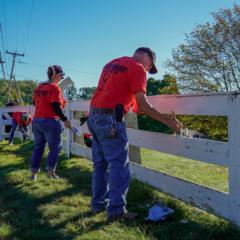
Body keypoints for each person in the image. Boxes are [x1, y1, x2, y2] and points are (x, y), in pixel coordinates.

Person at [87, 47, 182, 221]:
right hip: (111, 119)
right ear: (145, 56)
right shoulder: (137, 67)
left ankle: (97, 204)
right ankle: (116, 211)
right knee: (119, 166)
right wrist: (168, 121)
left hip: (94, 115)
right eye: (150, 66)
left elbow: (133, 104)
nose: (147, 70)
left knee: (100, 164)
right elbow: (143, 105)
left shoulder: (112, 63)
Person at [30, 65, 71, 181]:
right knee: (55, 147)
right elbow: (55, 106)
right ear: (56, 75)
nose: (62, 78)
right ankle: (50, 172)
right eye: (62, 76)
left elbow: (34, 103)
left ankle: (33, 174)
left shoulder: (39, 87)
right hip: (50, 121)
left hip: (37, 121)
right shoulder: (54, 88)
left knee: (38, 147)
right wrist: (65, 119)